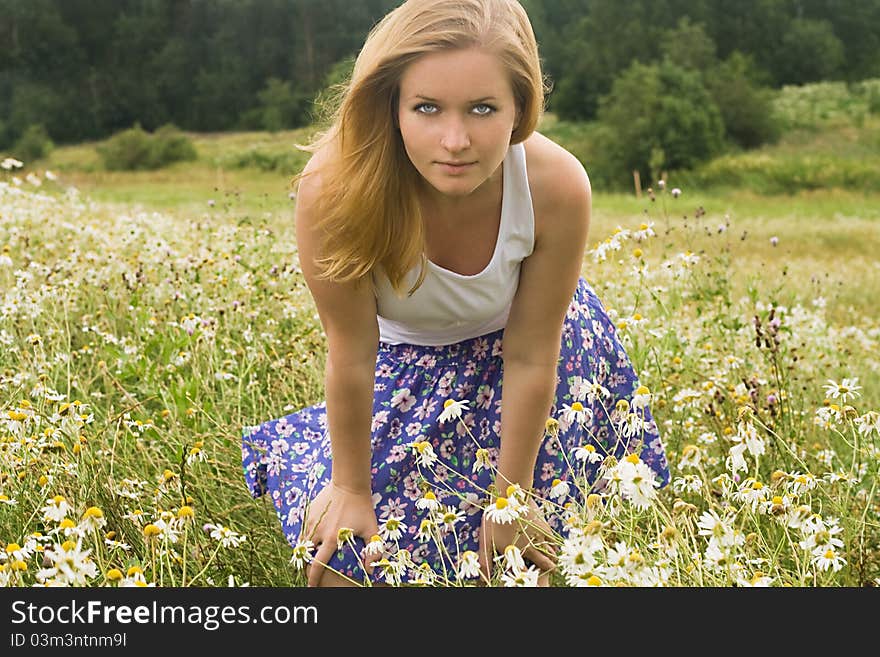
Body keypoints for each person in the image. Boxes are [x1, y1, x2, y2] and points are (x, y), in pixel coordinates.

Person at [241, 0, 669, 587]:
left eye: (483, 109)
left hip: (538, 357)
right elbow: (351, 351)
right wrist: (350, 487)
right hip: (406, 361)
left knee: (524, 569)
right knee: (350, 567)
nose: (455, 139)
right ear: (390, 106)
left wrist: (510, 499)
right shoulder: (332, 188)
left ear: (521, 110)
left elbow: (532, 353)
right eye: (426, 108)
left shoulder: (556, 186)